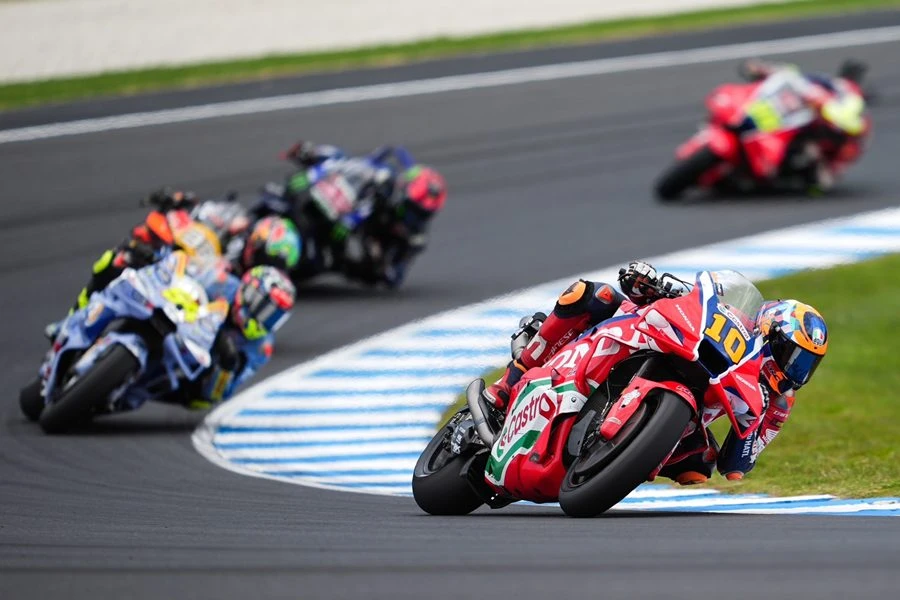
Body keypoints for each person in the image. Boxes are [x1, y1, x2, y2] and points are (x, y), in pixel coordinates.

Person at [481, 261, 828, 485]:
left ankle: (618, 460)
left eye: (805, 365)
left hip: (687, 413)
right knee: (591, 294)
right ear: (768, 331)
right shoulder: (734, 317)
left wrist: (759, 423)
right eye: (792, 356)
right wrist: (650, 282)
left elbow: (735, 466)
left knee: (700, 466)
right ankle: (509, 382)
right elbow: (689, 297)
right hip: (639, 337)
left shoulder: (777, 400)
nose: (794, 369)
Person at [274, 140, 448, 287]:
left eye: (421, 213)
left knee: (328, 263)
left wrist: (377, 258)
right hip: (338, 204)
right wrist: (316, 167)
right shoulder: (385, 180)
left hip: (349, 245)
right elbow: (366, 161)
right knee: (336, 155)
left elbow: (394, 277)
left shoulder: (414, 237)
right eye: (411, 208)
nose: (413, 215)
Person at [166, 263, 297, 410]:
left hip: (199, 365)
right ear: (249, 291)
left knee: (202, 401)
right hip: (180, 323)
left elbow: (224, 392)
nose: (264, 318)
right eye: (261, 306)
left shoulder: (262, 347)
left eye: (273, 316)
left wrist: (228, 365)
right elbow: (179, 282)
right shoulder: (220, 282)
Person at [737, 58, 870, 193]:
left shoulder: (851, 140)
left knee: (815, 176)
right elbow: (791, 75)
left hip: (799, 150)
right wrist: (762, 69)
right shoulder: (827, 85)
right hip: (785, 110)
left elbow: (831, 176)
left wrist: (822, 172)